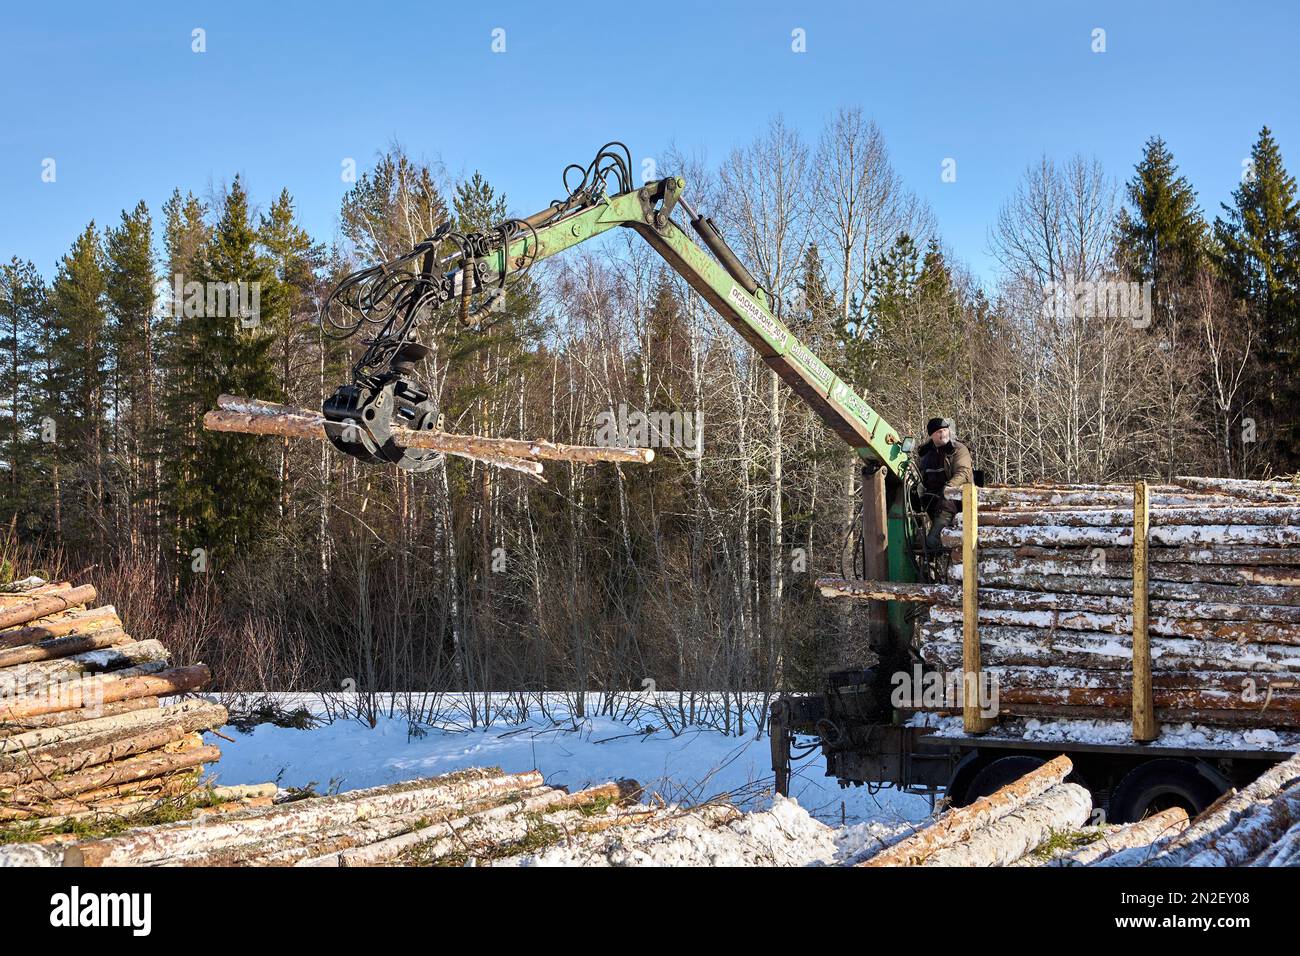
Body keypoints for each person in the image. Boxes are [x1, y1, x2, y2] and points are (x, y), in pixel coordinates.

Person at [919, 417, 974, 552]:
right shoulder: (925, 454)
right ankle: (917, 538)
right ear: (931, 435)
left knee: (946, 503)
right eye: (938, 431)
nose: (943, 434)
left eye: (944, 430)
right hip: (932, 495)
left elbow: (964, 472)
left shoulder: (958, 449)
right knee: (912, 501)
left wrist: (949, 487)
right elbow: (918, 474)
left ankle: (934, 540)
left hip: (956, 496)